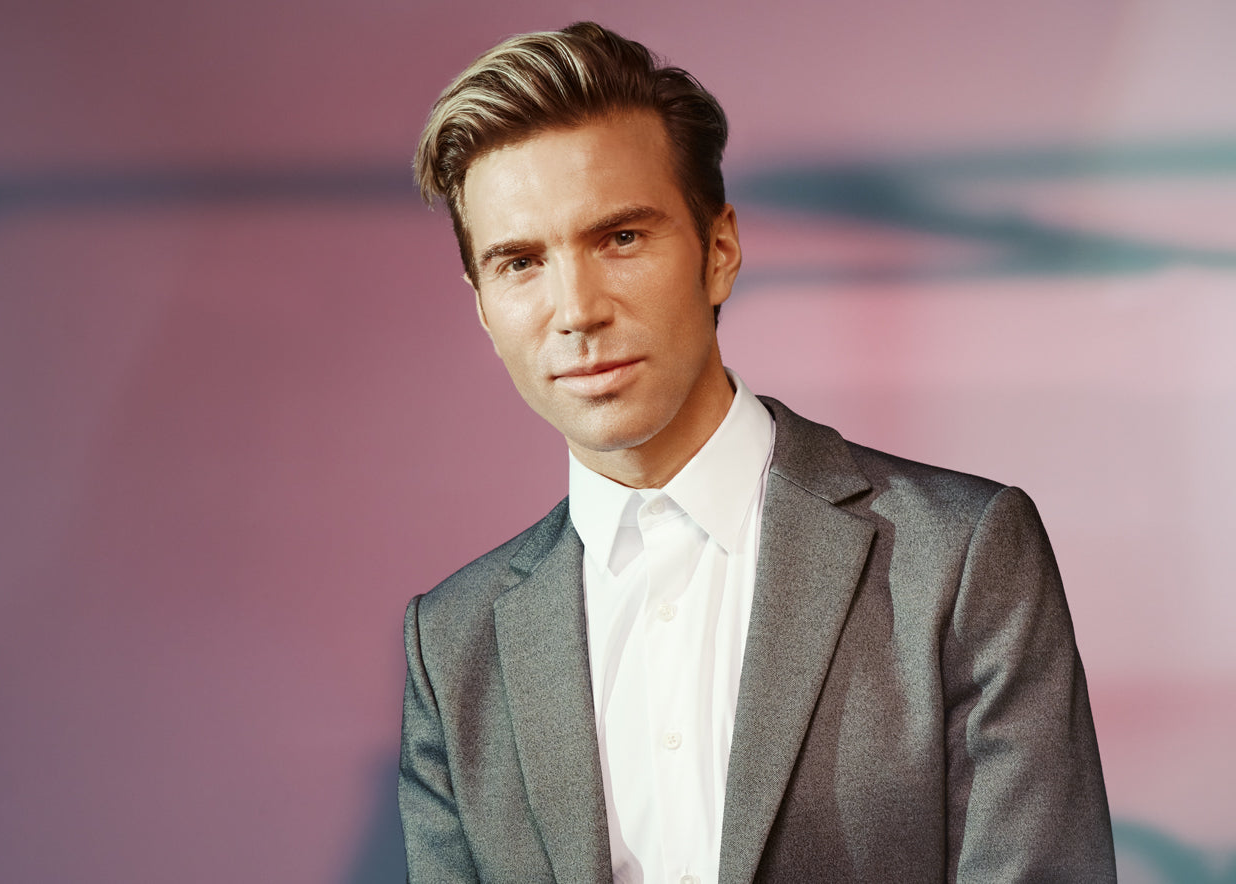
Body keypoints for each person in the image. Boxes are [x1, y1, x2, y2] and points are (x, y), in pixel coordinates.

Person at [399, 21, 1115, 884]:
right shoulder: (453, 645)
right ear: (482, 307)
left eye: (620, 238)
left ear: (720, 253)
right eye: (520, 262)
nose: (577, 309)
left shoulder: (959, 556)